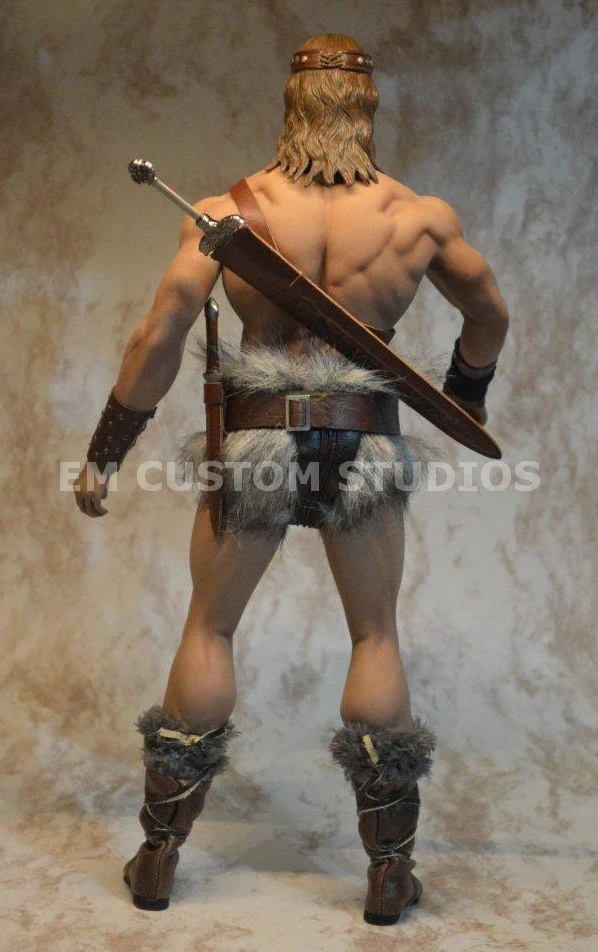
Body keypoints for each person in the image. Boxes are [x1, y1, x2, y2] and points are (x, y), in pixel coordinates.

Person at [74, 33, 509, 925]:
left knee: (209, 626)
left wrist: (106, 449)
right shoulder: (417, 218)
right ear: (367, 110)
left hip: (255, 442)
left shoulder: (228, 212)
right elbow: (489, 315)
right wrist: (464, 397)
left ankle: (158, 856)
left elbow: (159, 336)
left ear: (292, 109)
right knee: (375, 635)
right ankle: (388, 872)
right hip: (364, 443)